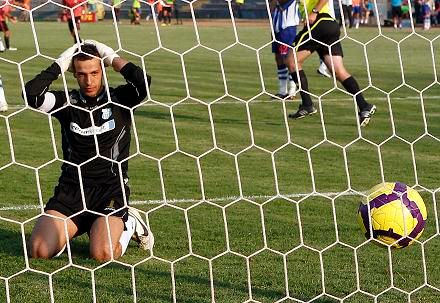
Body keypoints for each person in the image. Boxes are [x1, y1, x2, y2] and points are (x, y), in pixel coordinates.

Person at [23, 41, 154, 261]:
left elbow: (143, 84)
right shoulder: (67, 102)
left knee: (103, 254)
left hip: (109, 191)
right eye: (82, 73)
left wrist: (111, 57)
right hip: (71, 191)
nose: (89, 80)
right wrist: (61, 63)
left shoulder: (120, 99)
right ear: (74, 73)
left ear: (102, 70)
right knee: (38, 251)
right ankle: (71, 231)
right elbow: (32, 96)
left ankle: (129, 223)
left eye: (94, 72)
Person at [287, 0, 376, 127]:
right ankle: (364, 106)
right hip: (329, 26)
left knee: (291, 60)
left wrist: (314, 12)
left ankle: (307, 104)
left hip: (320, 22)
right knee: (338, 70)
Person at [270, 0, 300, 100]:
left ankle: (292, 91)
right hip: (276, 26)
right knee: (278, 57)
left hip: (287, 27)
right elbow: (271, 7)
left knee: (288, 59)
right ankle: (282, 91)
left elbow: (281, 3)